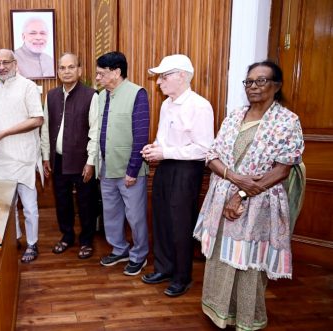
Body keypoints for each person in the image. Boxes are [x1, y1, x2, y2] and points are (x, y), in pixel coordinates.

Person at [193, 61, 304, 329]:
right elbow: (212, 156)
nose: (253, 87)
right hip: (222, 197)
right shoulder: (234, 116)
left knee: (248, 261)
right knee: (221, 254)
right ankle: (218, 310)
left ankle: (246, 316)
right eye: (249, 82)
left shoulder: (287, 121)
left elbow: (282, 170)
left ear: (276, 86)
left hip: (259, 203)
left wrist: (241, 193)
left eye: (261, 81)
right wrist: (235, 178)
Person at [140, 54, 214, 297]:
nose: (159, 82)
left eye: (164, 76)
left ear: (182, 76)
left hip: (186, 171)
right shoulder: (166, 104)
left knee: (181, 224)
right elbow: (163, 137)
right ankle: (164, 268)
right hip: (165, 166)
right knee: (161, 219)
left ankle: (182, 277)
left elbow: (204, 149)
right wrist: (154, 148)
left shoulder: (199, 106)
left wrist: (166, 151)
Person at [0, 49, 44, 263]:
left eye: (5, 62)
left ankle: (33, 243)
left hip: (22, 156)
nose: (1, 67)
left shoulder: (28, 86)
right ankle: (15, 238)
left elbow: (37, 119)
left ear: (15, 63)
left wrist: (6, 132)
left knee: (28, 205)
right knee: (6, 205)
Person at [96, 51, 150, 276]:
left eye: (101, 73)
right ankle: (119, 249)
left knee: (135, 216)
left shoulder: (137, 93)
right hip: (106, 167)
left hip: (130, 169)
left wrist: (133, 170)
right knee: (111, 213)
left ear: (116, 72)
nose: (97, 78)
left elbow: (140, 134)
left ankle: (139, 255)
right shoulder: (101, 96)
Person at [41, 53, 99, 259]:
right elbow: (46, 128)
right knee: (62, 201)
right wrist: (46, 157)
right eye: (62, 68)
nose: (66, 71)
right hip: (58, 160)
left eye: (71, 67)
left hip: (82, 162)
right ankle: (67, 236)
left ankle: (86, 241)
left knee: (86, 203)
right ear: (58, 72)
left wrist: (91, 161)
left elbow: (95, 132)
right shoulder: (51, 96)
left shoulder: (91, 95)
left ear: (79, 71)